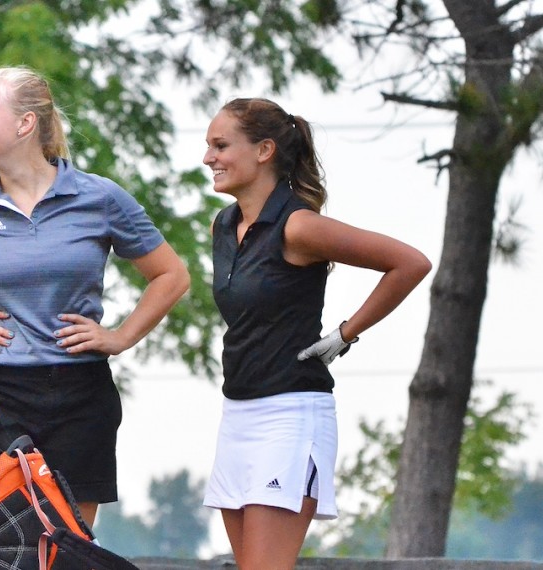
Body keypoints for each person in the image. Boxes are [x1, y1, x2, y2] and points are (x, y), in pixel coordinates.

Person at [0, 65, 190, 527]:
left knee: (69, 542)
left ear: (25, 123)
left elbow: (170, 275)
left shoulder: (100, 198)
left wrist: (120, 336)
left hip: (81, 396)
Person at [201, 97, 432, 569]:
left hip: (290, 417)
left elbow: (410, 263)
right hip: (238, 414)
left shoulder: (299, 226)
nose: (209, 158)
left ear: (264, 150)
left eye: (221, 145)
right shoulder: (223, 225)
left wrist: (346, 334)